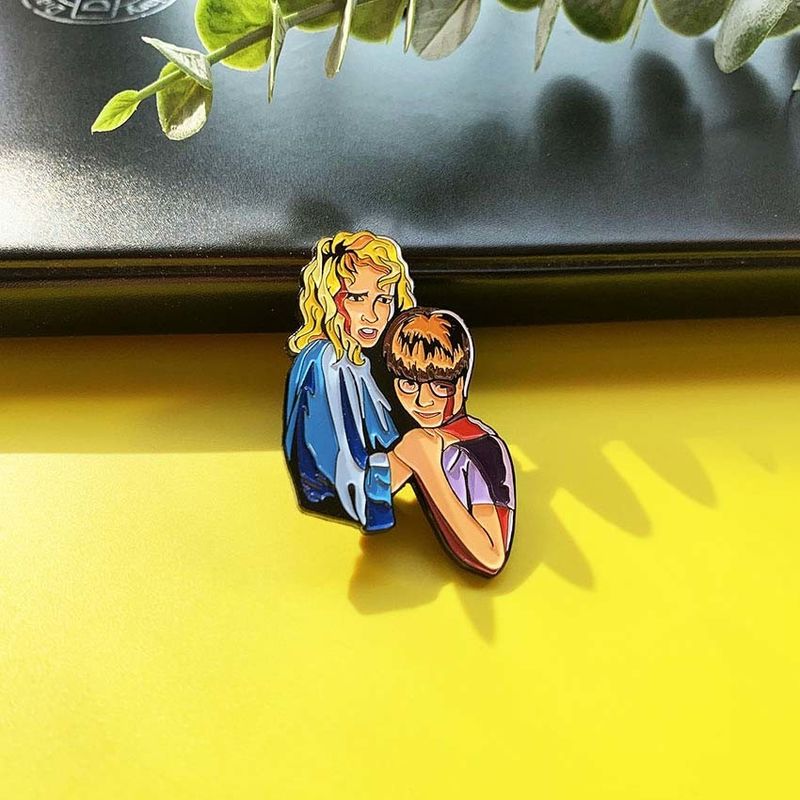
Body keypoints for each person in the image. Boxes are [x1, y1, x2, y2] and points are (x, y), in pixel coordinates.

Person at [283, 231, 416, 531]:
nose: (372, 315)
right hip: (343, 506)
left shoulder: (355, 360)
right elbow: (340, 478)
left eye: (384, 299)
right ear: (327, 299)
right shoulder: (328, 361)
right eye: (356, 298)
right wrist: (413, 454)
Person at [384, 308, 515, 577]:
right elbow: (362, 500)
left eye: (441, 385)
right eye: (408, 384)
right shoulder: (416, 440)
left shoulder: (484, 449)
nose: (423, 401)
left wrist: (428, 469)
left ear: (462, 383)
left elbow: (492, 557)